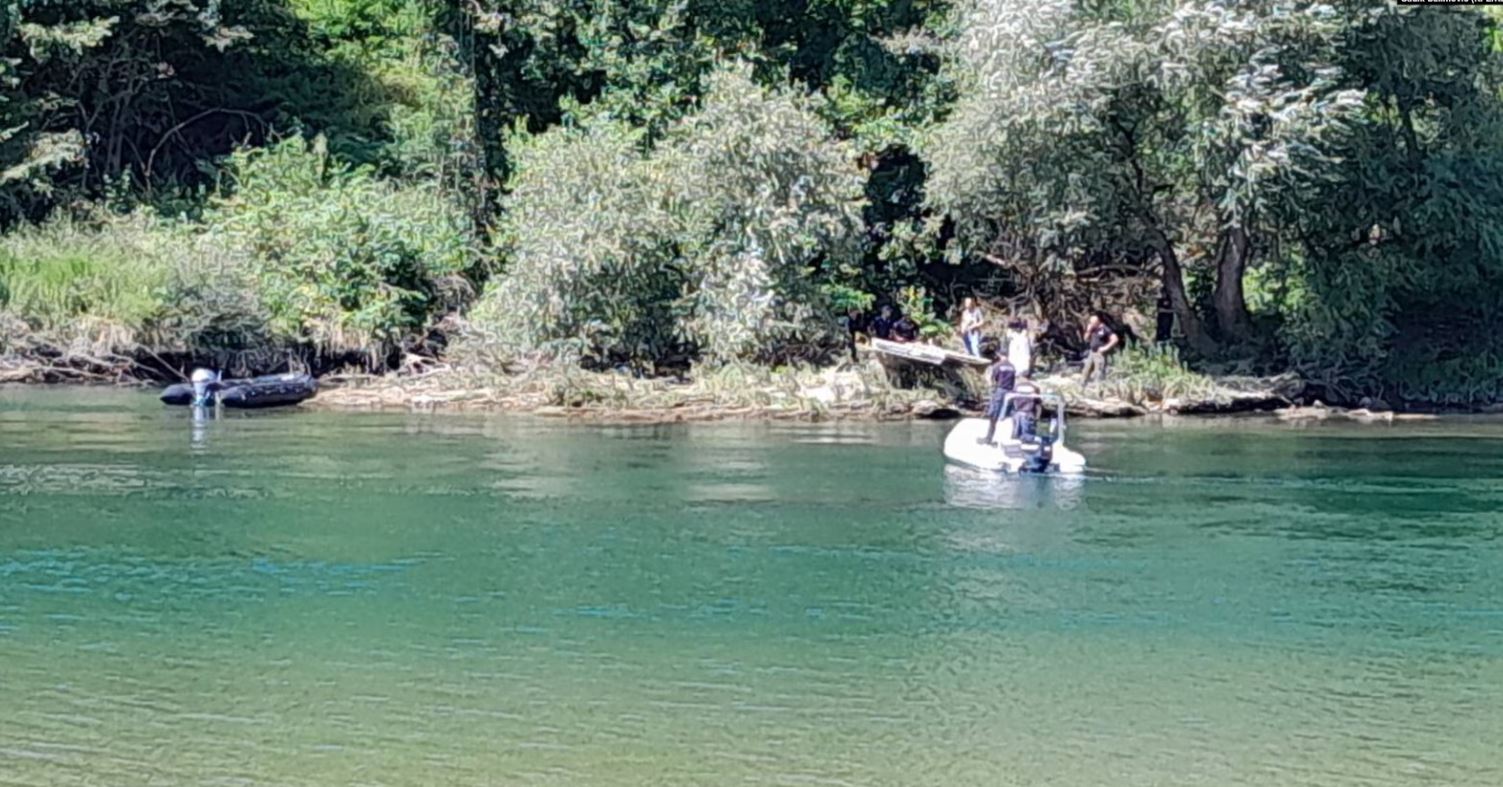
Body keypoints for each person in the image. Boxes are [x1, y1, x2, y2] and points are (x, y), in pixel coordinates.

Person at [978, 348, 1017, 446]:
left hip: (1000, 391)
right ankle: (1015, 436)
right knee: (1011, 414)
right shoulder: (1012, 367)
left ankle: (988, 438)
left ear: (999, 355)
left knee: (993, 415)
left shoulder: (997, 366)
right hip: (1011, 392)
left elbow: (992, 379)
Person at [1081, 312, 1119, 384]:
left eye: (1093, 322)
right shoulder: (1092, 329)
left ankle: (1099, 390)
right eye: (1091, 322)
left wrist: (1105, 348)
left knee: (1098, 373)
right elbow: (1085, 339)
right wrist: (1088, 330)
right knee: (1086, 370)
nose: (1091, 323)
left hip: (1100, 354)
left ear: (1098, 321)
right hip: (1092, 352)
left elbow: (1115, 339)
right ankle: (1082, 387)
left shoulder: (1105, 328)